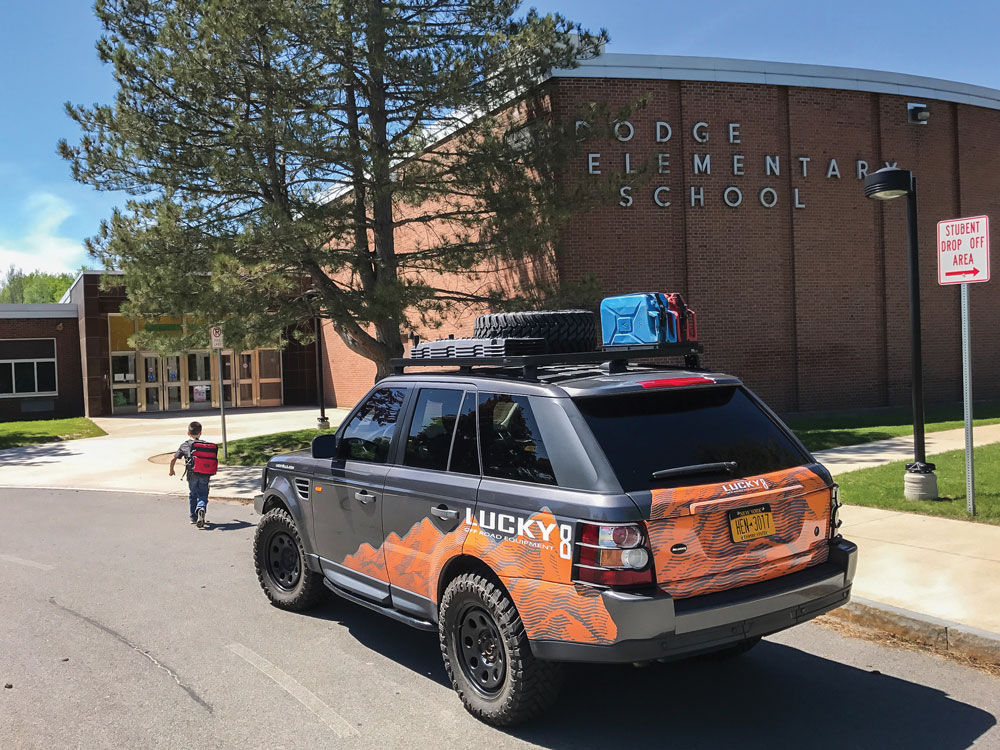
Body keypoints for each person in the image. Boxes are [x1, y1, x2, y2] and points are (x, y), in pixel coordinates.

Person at [169, 421, 210, 528]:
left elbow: (173, 459)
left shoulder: (184, 445)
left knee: (193, 494)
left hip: (191, 474)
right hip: (204, 474)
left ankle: (193, 517)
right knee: (203, 494)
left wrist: (171, 470)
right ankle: (201, 508)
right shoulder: (205, 444)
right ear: (200, 433)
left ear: (188, 433)